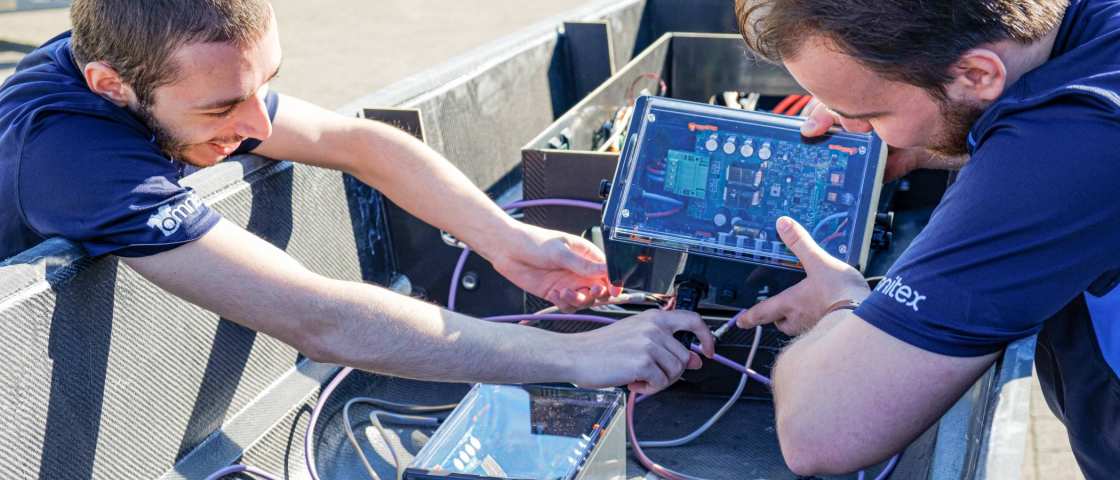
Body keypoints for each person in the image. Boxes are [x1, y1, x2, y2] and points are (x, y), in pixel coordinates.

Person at [0, 0, 716, 396]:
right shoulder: (69, 157)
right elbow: (321, 320)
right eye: (222, 110)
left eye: (266, 84)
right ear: (108, 86)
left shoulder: (146, 51)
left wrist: (510, 243)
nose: (256, 126)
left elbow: (360, 144)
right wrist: (576, 357)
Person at [732, 0, 1120, 477]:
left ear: (978, 76)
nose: (854, 130)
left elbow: (819, 431)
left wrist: (841, 304)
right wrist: (925, 138)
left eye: (868, 114)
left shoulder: (1069, 144)